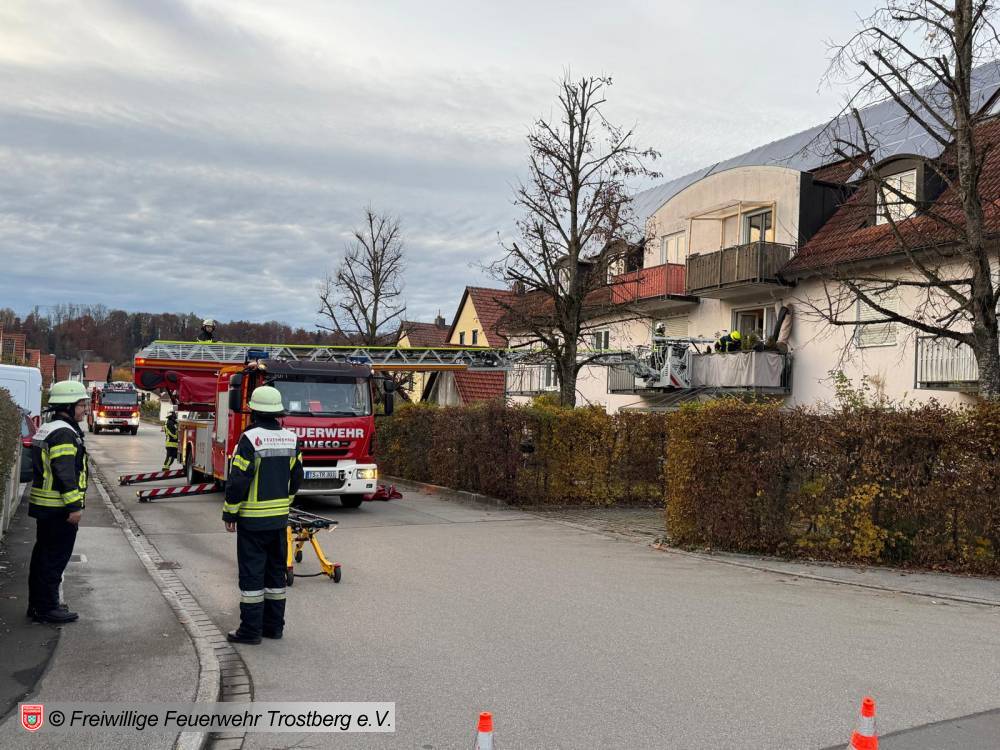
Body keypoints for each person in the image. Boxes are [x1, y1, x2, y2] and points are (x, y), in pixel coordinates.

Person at [223, 385, 303, 644]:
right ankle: (273, 627)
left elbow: (238, 480)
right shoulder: (292, 439)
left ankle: (250, 631)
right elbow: (296, 478)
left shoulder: (250, 439)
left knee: (252, 577)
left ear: (254, 411)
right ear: (278, 412)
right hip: (279, 521)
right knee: (275, 576)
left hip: (253, 522)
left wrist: (230, 513)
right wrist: (285, 504)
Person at [27, 380, 89, 624]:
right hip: (58, 508)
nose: (85, 410)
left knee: (42, 556)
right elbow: (65, 472)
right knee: (54, 559)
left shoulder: (49, 427)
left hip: (46, 506)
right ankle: (47, 608)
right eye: (82, 405)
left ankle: (39, 604)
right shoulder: (64, 432)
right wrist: (74, 506)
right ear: (68, 406)